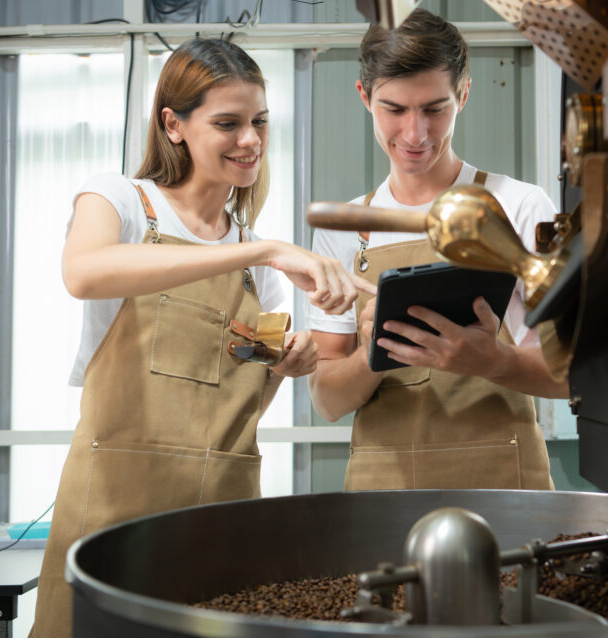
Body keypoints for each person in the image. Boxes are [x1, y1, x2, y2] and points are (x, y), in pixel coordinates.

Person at [30, 38, 372, 637]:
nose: (251, 141)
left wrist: (284, 364)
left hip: (222, 515)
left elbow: (245, 409)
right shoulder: (122, 202)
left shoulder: (256, 265)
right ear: (174, 124)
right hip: (114, 511)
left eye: (260, 122)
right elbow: (82, 273)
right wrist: (262, 246)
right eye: (228, 123)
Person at [307, 9, 567, 491]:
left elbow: (574, 374)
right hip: (381, 492)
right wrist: (370, 353)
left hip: (503, 486)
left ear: (464, 93)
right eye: (395, 109)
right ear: (364, 97)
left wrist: (494, 361)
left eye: (434, 108)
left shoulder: (522, 206)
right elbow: (326, 402)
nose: (414, 134)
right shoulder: (347, 229)